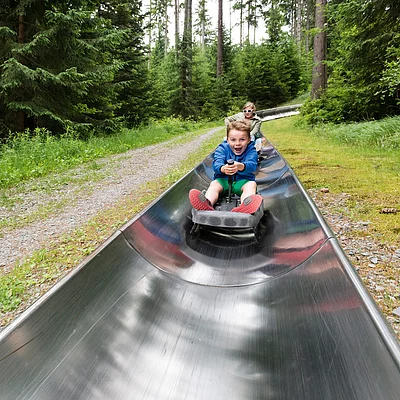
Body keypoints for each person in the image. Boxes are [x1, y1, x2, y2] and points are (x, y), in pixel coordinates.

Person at [189, 120, 263, 214]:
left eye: (242, 139)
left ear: (248, 140)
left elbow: (252, 165)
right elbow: (216, 163)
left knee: (251, 185)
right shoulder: (222, 148)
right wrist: (223, 168)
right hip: (223, 180)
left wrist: (241, 166)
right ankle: (207, 203)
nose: (237, 143)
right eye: (233, 140)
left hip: (243, 181)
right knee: (214, 184)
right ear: (227, 139)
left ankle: (245, 206)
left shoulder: (251, 150)